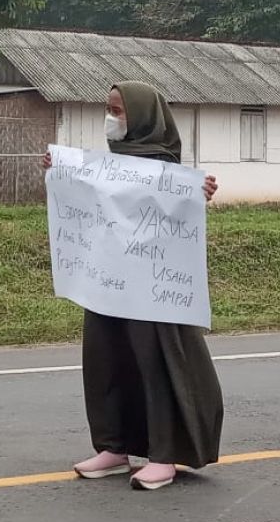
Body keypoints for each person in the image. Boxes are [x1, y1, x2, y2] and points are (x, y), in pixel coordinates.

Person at [42, 81, 223, 491]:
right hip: (106, 283)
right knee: (105, 359)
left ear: (141, 116)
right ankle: (113, 446)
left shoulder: (164, 166)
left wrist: (201, 193)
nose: (111, 119)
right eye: (108, 109)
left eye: (118, 111)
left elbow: (178, 208)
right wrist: (61, 174)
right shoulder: (109, 163)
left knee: (154, 363)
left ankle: (164, 454)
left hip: (151, 289)